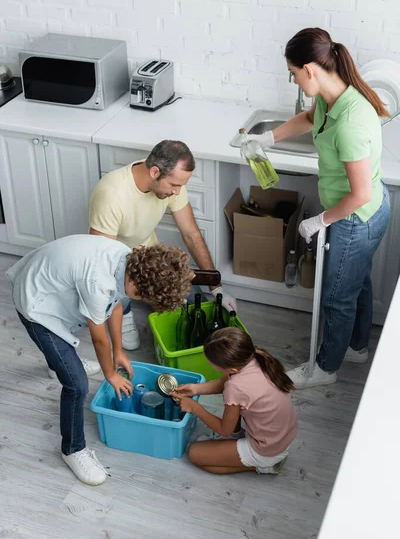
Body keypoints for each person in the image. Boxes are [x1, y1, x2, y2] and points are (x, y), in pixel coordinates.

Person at [252, 28, 391, 389]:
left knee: (335, 297)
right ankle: (357, 347)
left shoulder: (350, 121)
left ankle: (324, 369)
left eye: (294, 74)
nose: (295, 81)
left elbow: (358, 194)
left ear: (310, 69)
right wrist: (268, 137)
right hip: (366, 210)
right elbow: (308, 118)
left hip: (356, 218)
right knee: (357, 284)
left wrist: (319, 220)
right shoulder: (335, 97)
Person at [6, 235, 193, 485]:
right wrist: (110, 374)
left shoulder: (129, 261)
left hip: (51, 286)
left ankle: (58, 366)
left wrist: (120, 352)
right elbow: (98, 339)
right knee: (77, 385)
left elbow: (115, 305)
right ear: (138, 285)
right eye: (144, 298)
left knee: (67, 359)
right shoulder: (98, 281)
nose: (140, 301)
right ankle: (73, 449)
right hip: (36, 305)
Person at [89, 139, 236, 352]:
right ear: (155, 172)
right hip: (118, 265)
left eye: (181, 186)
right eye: (174, 186)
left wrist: (216, 286)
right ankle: (125, 309)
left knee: (195, 302)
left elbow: (191, 234)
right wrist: (119, 304)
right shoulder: (112, 194)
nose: (177, 192)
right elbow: (101, 261)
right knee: (122, 307)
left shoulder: (172, 182)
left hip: (150, 258)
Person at [172, 328, 298, 475]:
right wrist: (195, 389)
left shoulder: (236, 387)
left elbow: (225, 430)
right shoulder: (254, 356)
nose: (208, 363)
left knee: (194, 454)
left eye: (210, 362)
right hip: (282, 437)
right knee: (232, 400)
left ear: (231, 369)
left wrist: (195, 408)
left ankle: (263, 466)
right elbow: (225, 385)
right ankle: (239, 440)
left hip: (266, 449)